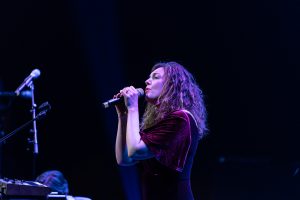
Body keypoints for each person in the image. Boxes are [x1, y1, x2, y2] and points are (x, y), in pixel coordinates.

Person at [114, 61, 208, 200]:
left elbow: (135, 149)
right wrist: (123, 115)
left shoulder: (181, 119)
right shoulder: (162, 123)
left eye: (155, 77)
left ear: (171, 85)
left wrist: (133, 108)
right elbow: (125, 159)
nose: (147, 81)